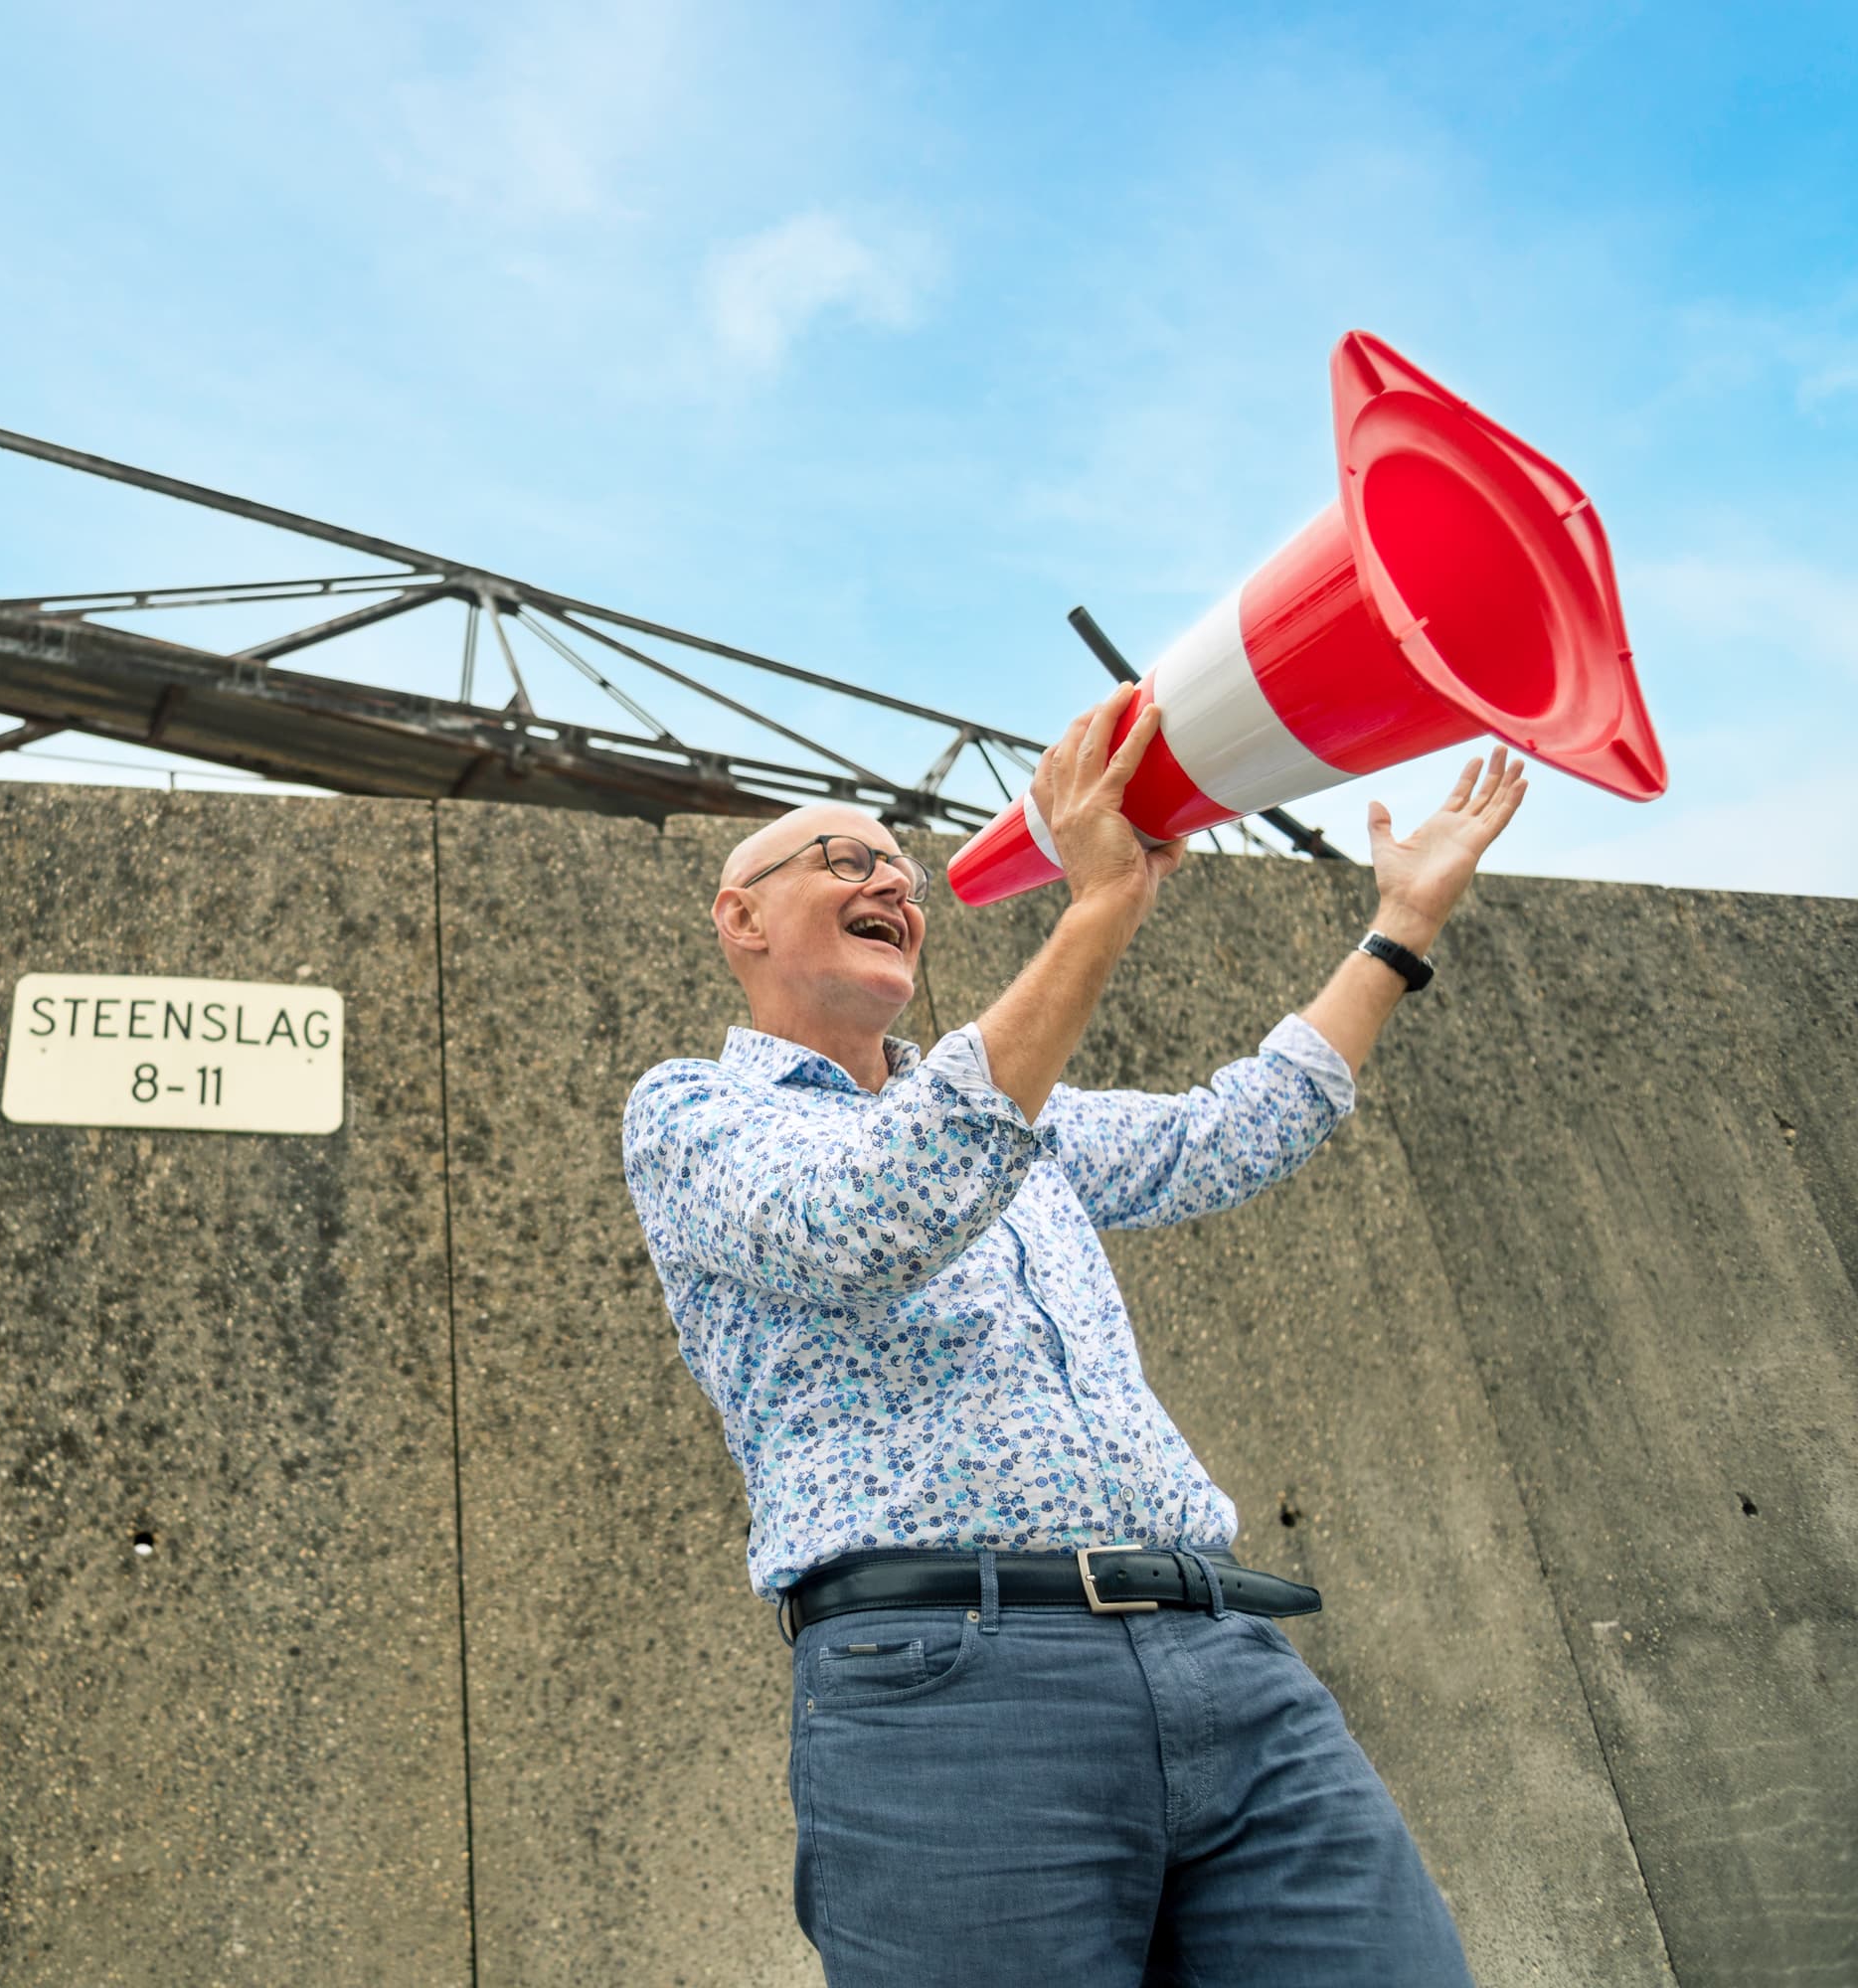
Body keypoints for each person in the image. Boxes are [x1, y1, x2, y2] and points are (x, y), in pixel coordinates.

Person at [621, 683, 1526, 1985]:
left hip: (1225, 1659)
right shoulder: (696, 1115)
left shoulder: (1013, 1112)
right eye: (846, 858)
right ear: (740, 915)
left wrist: (1399, 928)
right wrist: (1102, 908)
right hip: (954, 1689)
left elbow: (1226, 1133)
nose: (895, 880)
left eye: (906, 870)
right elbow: (869, 1218)